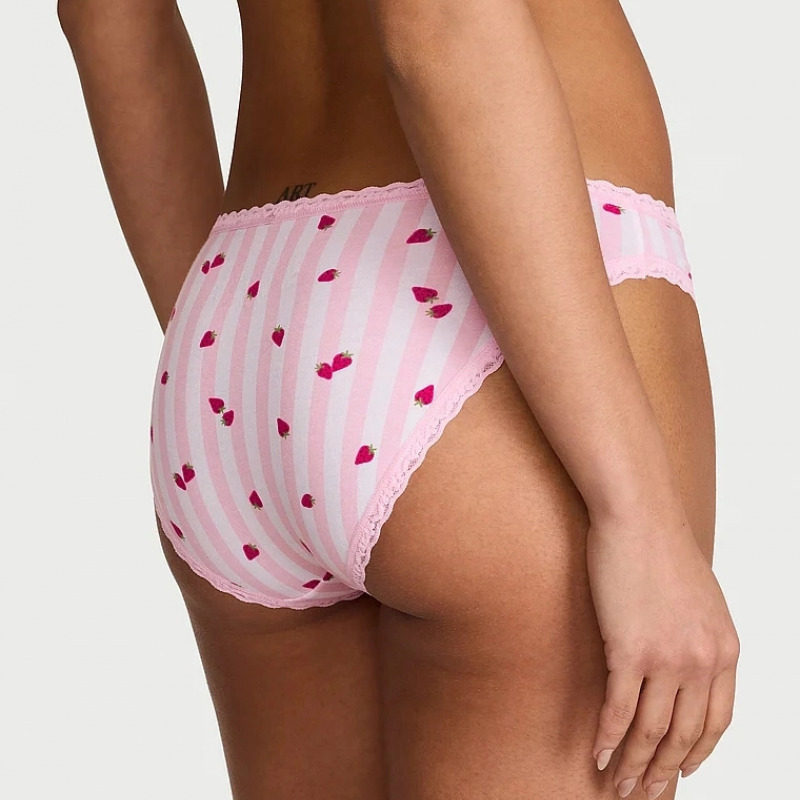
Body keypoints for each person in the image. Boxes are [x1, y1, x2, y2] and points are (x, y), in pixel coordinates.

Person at [58, 1, 740, 798]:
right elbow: (439, 17)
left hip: (241, 295)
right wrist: (638, 513)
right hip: (494, 289)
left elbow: (105, 17)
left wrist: (231, 338)